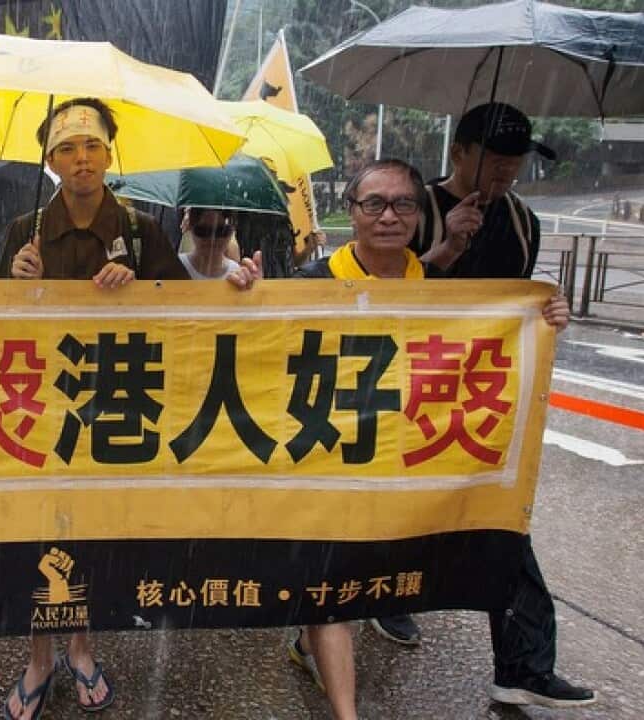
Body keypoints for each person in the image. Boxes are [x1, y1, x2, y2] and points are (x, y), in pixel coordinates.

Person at [0, 98, 259, 720]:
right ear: (50, 160)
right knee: (37, 532)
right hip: (41, 413)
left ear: (110, 153)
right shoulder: (23, 232)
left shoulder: (141, 232)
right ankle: (38, 659)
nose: (80, 158)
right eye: (65, 147)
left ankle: (83, 648)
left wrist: (223, 287)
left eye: (91, 145)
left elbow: (183, 312)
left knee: (94, 534)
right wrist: (15, 281)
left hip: (115, 412)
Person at [288, 158, 571, 720]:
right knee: (330, 586)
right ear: (352, 213)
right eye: (374, 204)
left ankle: (307, 641)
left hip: (406, 468)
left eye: (403, 204)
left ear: (421, 215)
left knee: (377, 574)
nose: (388, 216)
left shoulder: (446, 293)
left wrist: (545, 315)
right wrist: (243, 289)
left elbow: (495, 346)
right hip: (331, 460)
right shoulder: (307, 286)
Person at [402, 102, 596, 709]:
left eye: (516, 158)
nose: (507, 168)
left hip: (480, 402)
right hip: (403, 396)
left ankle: (523, 664)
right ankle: (347, 612)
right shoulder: (413, 209)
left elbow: (515, 310)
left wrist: (549, 314)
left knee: (502, 524)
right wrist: (443, 252)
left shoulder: (523, 221)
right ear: (458, 152)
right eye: (494, 155)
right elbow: (380, 300)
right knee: (387, 521)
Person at [178, 207, 240, 279]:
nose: (212, 239)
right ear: (190, 228)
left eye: (221, 231)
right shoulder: (177, 266)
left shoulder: (235, 272)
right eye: (203, 231)